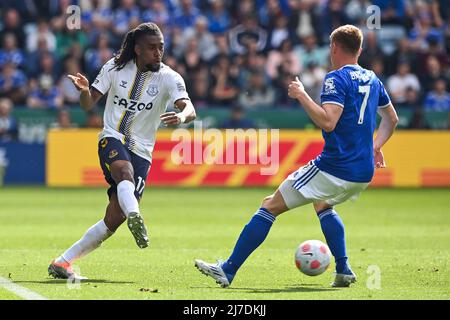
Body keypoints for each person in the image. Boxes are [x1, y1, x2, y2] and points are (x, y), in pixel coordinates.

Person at [195, 25, 399, 288]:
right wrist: (375, 147)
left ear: (334, 47)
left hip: (334, 167)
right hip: (363, 172)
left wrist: (302, 95)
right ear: (359, 50)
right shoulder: (373, 78)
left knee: (269, 205)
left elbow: (328, 122)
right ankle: (344, 268)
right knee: (323, 204)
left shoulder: (335, 78)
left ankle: (228, 269)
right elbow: (391, 119)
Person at [48, 22, 196, 280]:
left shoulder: (169, 77)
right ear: (137, 49)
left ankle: (62, 263)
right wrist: (83, 92)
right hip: (112, 137)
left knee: (112, 219)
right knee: (123, 172)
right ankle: (136, 216)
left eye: (161, 47)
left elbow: (190, 108)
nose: (158, 53)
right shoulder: (114, 68)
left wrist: (182, 117)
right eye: (152, 48)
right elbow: (88, 103)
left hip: (143, 151)